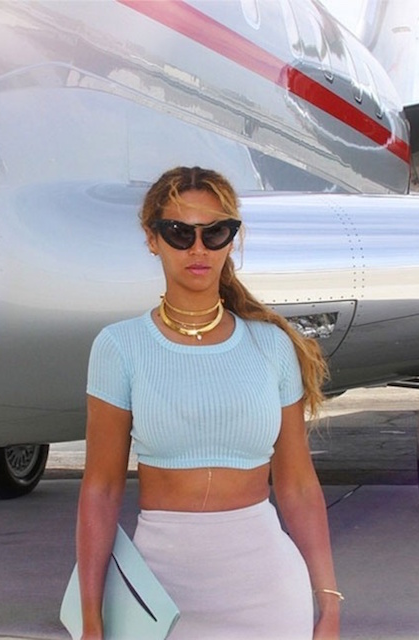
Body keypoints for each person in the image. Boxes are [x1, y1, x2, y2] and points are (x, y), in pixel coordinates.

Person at [76, 166, 341, 639]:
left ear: (231, 240)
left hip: (270, 595)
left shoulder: (271, 346)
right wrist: (91, 618)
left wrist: (328, 600)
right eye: (179, 233)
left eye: (215, 232)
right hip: (158, 597)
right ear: (152, 238)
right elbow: (100, 490)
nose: (198, 249)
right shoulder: (120, 347)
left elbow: (299, 485)